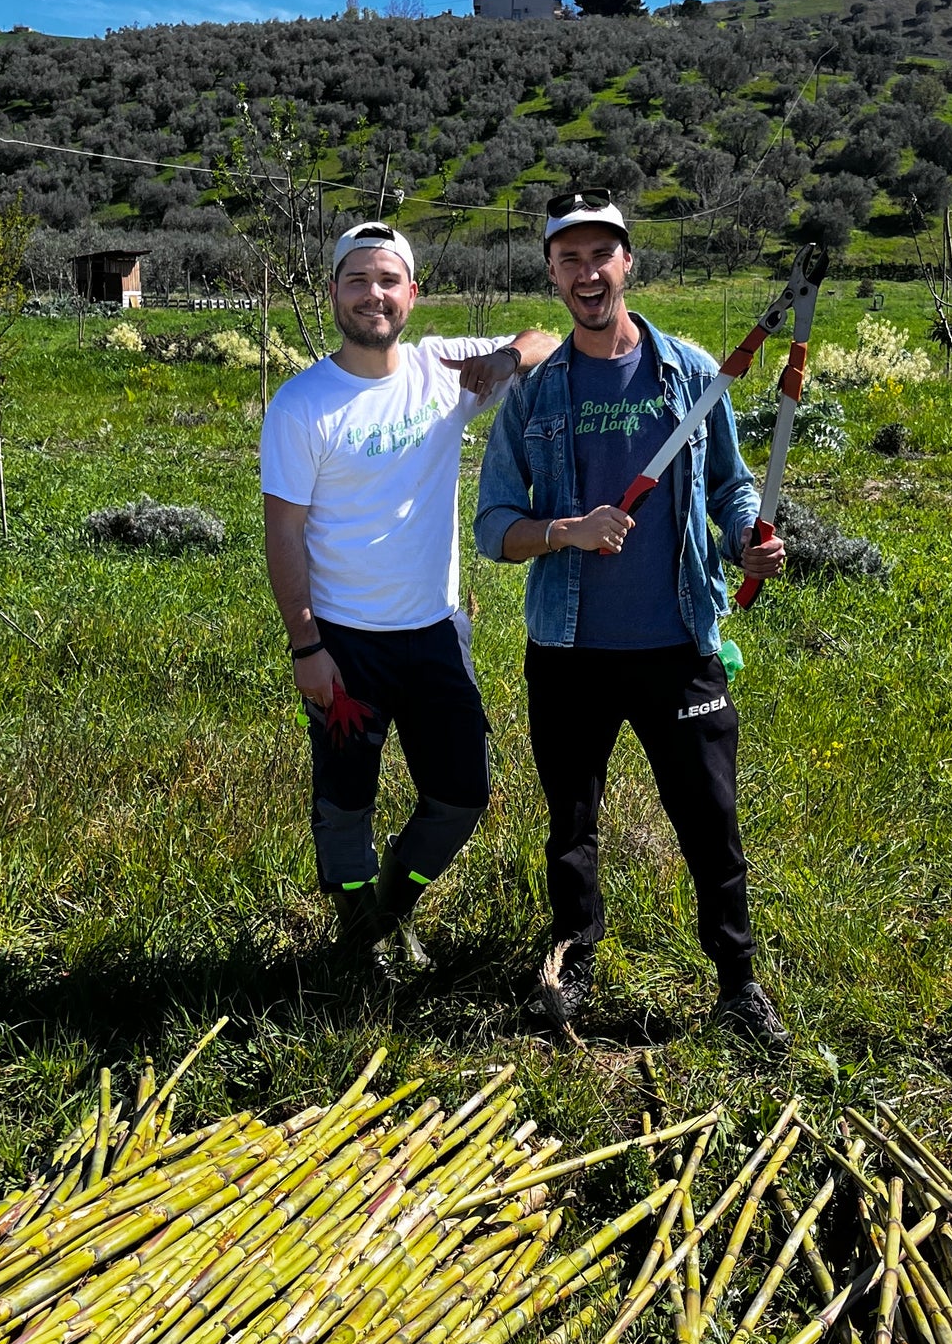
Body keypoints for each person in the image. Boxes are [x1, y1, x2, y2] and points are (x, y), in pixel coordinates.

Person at [473, 190, 789, 1046]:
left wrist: (743, 542)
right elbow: (493, 526)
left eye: (600, 255)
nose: (586, 273)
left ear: (627, 263)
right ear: (550, 272)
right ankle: (571, 959)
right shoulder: (535, 396)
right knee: (569, 822)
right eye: (568, 258)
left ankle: (736, 981)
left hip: (679, 643)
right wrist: (563, 531)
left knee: (709, 822)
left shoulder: (691, 373)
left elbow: (729, 487)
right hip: (568, 650)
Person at [261, 220, 557, 966]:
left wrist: (502, 356)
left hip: (433, 638)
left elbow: (545, 339)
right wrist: (306, 647)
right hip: (342, 645)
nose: (373, 294)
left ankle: (394, 901)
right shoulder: (302, 405)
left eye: (388, 280)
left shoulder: (441, 373)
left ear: (413, 294)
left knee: (462, 798)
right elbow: (284, 535)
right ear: (332, 291)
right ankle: (357, 934)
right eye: (357, 279)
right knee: (343, 805)